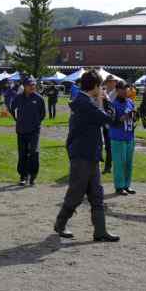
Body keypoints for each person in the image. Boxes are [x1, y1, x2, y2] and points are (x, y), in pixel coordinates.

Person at [53, 70, 119, 242]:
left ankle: (100, 231)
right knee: (76, 193)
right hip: (82, 155)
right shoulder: (84, 103)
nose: (102, 90)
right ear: (96, 86)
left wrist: (99, 101)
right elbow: (109, 119)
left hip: (91, 155)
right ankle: (60, 224)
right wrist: (104, 101)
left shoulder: (85, 102)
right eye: (101, 86)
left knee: (97, 194)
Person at [12, 77, 46, 186]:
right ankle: (23, 176)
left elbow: (43, 114)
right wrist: (18, 120)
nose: (32, 86)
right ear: (24, 86)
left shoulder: (39, 99)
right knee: (22, 154)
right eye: (30, 85)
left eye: (33, 84)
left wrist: (35, 123)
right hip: (21, 130)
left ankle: (33, 176)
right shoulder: (18, 98)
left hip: (34, 131)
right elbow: (13, 109)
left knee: (34, 152)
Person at [108, 81, 137, 195]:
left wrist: (135, 117)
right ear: (117, 90)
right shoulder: (113, 104)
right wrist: (123, 117)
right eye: (123, 89)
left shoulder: (130, 102)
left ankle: (127, 185)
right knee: (119, 163)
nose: (126, 91)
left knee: (128, 163)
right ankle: (119, 187)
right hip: (117, 137)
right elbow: (111, 122)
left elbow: (133, 119)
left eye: (127, 89)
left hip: (129, 136)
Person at [101, 76, 117, 175]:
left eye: (112, 82)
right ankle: (107, 166)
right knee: (107, 146)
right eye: (109, 82)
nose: (111, 83)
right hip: (105, 122)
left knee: (114, 145)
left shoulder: (117, 92)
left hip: (115, 122)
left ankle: (111, 166)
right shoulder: (103, 92)